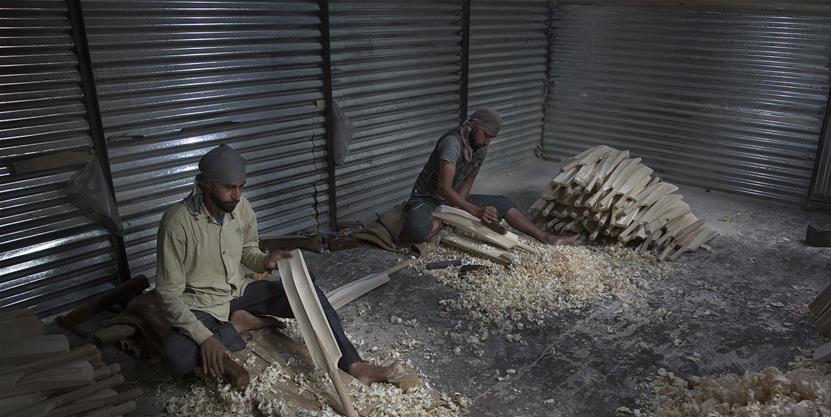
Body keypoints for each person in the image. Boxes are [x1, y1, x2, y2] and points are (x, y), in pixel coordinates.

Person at [156, 144, 400, 384]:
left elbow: (247, 250)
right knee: (176, 358)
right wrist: (205, 338)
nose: (237, 195)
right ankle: (238, 324)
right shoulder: (177, 223)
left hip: (239, 291)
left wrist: (265, 260)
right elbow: (168, 295)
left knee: (309, 295)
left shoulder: (241, 208)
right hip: (203, 305)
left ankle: (356, 365)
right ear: (207, 184)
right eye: (229, 187)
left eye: (241, 187)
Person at [401, 108, 578, 246]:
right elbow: (443, 188)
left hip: (451, 200)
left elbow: (468, 181)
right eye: (485, 135)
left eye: (491, 138)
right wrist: (474, 211)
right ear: (474, 126)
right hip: (427, 199)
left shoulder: (480, 148)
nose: (487, 142)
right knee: (417, 232)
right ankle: (442, 221)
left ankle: (547, 237)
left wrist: (458, 208)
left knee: (504, 203)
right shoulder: (452, 143)